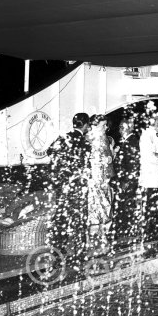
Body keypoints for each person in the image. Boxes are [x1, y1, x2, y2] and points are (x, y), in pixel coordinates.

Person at [46, 112, 91, 271]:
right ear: (85, 125)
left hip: (61, 188)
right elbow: (86, 167)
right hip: (76, 189)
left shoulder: (62, 138)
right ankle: (79, 258)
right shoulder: (84, 144)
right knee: (79, 224)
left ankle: (56, 257)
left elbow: (49, 151)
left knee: (61, 223)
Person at [139, 111, 158, 241]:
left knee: (156, 209)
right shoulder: (146, 135)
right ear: (157, 121)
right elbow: (148, 157)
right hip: (149, 178)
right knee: (149, 210)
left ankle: (153, 235)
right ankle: (147, 236)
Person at [110, 116, 141, 245]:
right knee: (121, 206)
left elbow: (135, 164)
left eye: (124, 127)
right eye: (120, 127)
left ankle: (122, 231)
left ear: (131, 128)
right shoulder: (124, 141)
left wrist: (127, 181)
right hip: (122, 179)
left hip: (127, 181)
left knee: (124, 206)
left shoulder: (133, 141)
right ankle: (122, 230)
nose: (120, 129)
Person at [86, 114, 115, 250]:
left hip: (104, 178)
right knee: (96, 207)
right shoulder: (89, 138)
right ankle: (94, 240)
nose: (106, 127)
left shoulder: (103, 138)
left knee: (106, 205)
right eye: (103, 125)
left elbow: (107, 155)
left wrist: (110, 158)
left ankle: (103, 238)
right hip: (94, 179)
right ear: (95, 125)